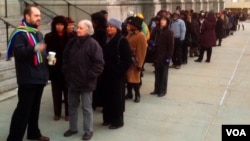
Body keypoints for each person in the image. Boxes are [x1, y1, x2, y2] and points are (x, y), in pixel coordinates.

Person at [6, 5, 50, 141]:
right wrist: (35, 48)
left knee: (35, 109)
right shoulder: (19, 33)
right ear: (27, 16)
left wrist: (47, 56)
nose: (39, 18)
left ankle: (33, 133)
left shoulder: (37, 32)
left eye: (40, 16)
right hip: (28, 78)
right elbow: (19, 53)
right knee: (23, 111)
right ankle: (14, 138)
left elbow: (41, 52)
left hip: (39, 76)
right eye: (36, 15)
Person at [62, 20, 104, 140]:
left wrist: (88, 76)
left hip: (86, 82)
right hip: (72, 81)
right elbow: (65, 57)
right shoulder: (72, 42)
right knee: (72, 106)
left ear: (88, 30)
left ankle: (88, 130)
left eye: (80, 28)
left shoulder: (93, 44)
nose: (77, 30)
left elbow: (99, 64)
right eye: (77, 28)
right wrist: (66, 71)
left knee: (86, 108)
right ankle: (73, 128)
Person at [101, 18, 132, 129]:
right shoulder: (105, 39)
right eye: (108, 26)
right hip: (105, 73)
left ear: (117, 28)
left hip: (116, 75)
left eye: (111, 26)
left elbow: (127, 60)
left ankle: (117, 121)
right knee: (107, 97)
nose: (109, 28)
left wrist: (120, 71)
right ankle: (107, 118)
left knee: (116, 98)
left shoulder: (121, 40)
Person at [45, 15, 70, 121]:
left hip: (67, 69)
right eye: (57, 24)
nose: (59, 27)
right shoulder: (49, 36)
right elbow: (47, 51)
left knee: (68, 92)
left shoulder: (70, 36)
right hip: (55, 68)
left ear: (65, 26)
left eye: (61, 24)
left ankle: (68, 113)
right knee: (56, 92)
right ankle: (57, 113)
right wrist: (50, 61)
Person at [149, 15, 174, 97]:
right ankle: (156, 89)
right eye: (161, 20)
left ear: (167, 22)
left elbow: (171, 46)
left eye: (164, 20)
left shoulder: (169, 32)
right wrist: (152, 43)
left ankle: (162, 90)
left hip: (164, 56)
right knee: (157, 74)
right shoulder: (156, 30)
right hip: (156, 55)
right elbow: (151, 39)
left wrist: (168, 57)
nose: (162, 21)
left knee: (163, 75)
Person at [125, 16, 147, 103]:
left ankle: (137, 94)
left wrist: (140, 64)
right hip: (128, 60)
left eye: (131, 24)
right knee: (128, 79)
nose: (129, 25)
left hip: (135, 61)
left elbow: (142, 52)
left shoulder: (140, 36)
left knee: (135, 79)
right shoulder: (130, 34)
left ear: (136, 26)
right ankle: (129, 93)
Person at [90, 12, 107, 110]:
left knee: (98, 85)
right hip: (101, 62)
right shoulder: (101, 31)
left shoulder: (100, 32)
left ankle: (97, 102)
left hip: (99, 61)